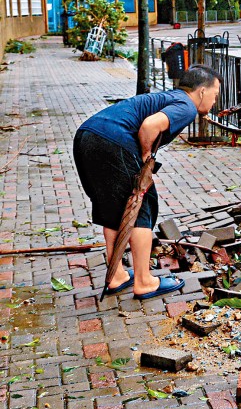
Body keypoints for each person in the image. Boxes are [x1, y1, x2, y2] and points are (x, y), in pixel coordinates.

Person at [73, 66, 222, 300]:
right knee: (141, 205)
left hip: (87, 136)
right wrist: (145, 157)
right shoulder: (186, 105)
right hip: (112, 140)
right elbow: (150, 126)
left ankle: (117, 275)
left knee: (114, 209)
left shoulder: (169, 97)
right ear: (202, 91)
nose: (215, 102)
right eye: (215, 95)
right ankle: (144, 281)